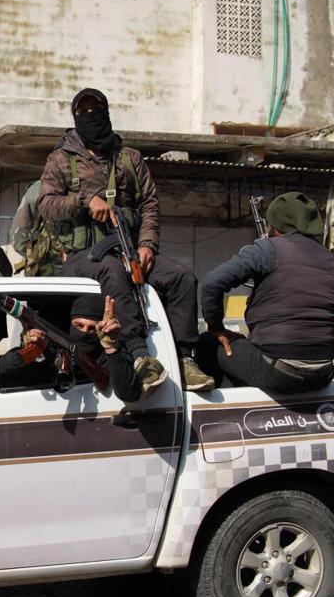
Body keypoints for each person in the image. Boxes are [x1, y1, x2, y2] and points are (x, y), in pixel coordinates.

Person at [38, 87, 213, 393]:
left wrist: (147, 244)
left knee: (181, 277)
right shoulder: (60, 159)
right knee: (113, 272)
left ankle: (185, 358)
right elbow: (46, 206)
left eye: (97, 109)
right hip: (81, 256)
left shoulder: (129, 157)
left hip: (129, 248)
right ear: (75, 117)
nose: (91, 116)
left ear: (106, 112)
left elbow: (149, 204)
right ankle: (139, 356)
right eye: (84, 112)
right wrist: (84, 200)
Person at [196, 192, 334, 393]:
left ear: (276, 226)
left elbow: (212, 283)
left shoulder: (267, 250)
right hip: (323, 374)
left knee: (208, 342)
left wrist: (217, 328)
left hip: (279, 373)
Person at [0, 294, 141, 401]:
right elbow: (3, 369)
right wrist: (30, 350)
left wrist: (111, 347)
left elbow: (129, 394)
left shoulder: (106, 354)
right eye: (78, 325)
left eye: (92, 328)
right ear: (70, 323)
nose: (84, 331)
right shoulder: (51, 347)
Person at [9, 180, 65, 276]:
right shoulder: (86, 184)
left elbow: (17, 241)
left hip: (43, 273)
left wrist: (34, 253)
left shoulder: (37, 189)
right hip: (78, 270)